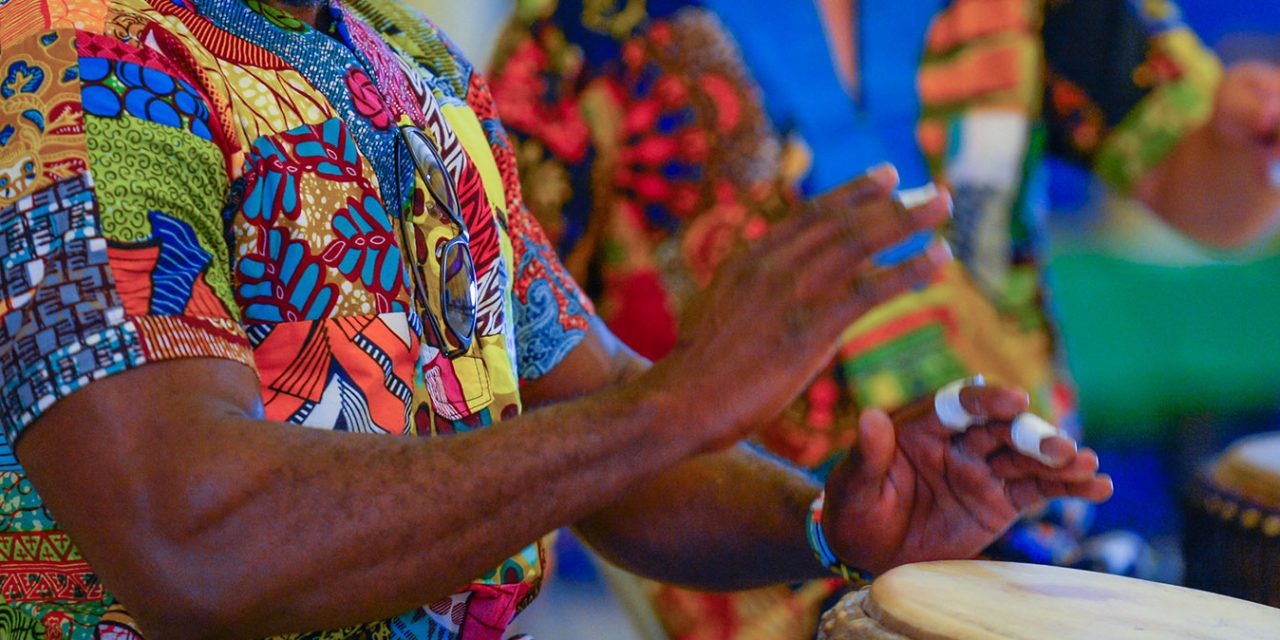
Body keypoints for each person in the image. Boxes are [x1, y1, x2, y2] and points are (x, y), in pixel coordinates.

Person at [0, 0, 1112, 637]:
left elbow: (604, 441)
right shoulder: (65, 59)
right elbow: (193, 537)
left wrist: (826, 517)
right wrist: (665, 408)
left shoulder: (413, 66)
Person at [487, 0, 1280, 637]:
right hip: (752, 587)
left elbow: (1201, 186)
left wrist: (1242, 146)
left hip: (1039, 560)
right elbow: (522, 382)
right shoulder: (573, 39)